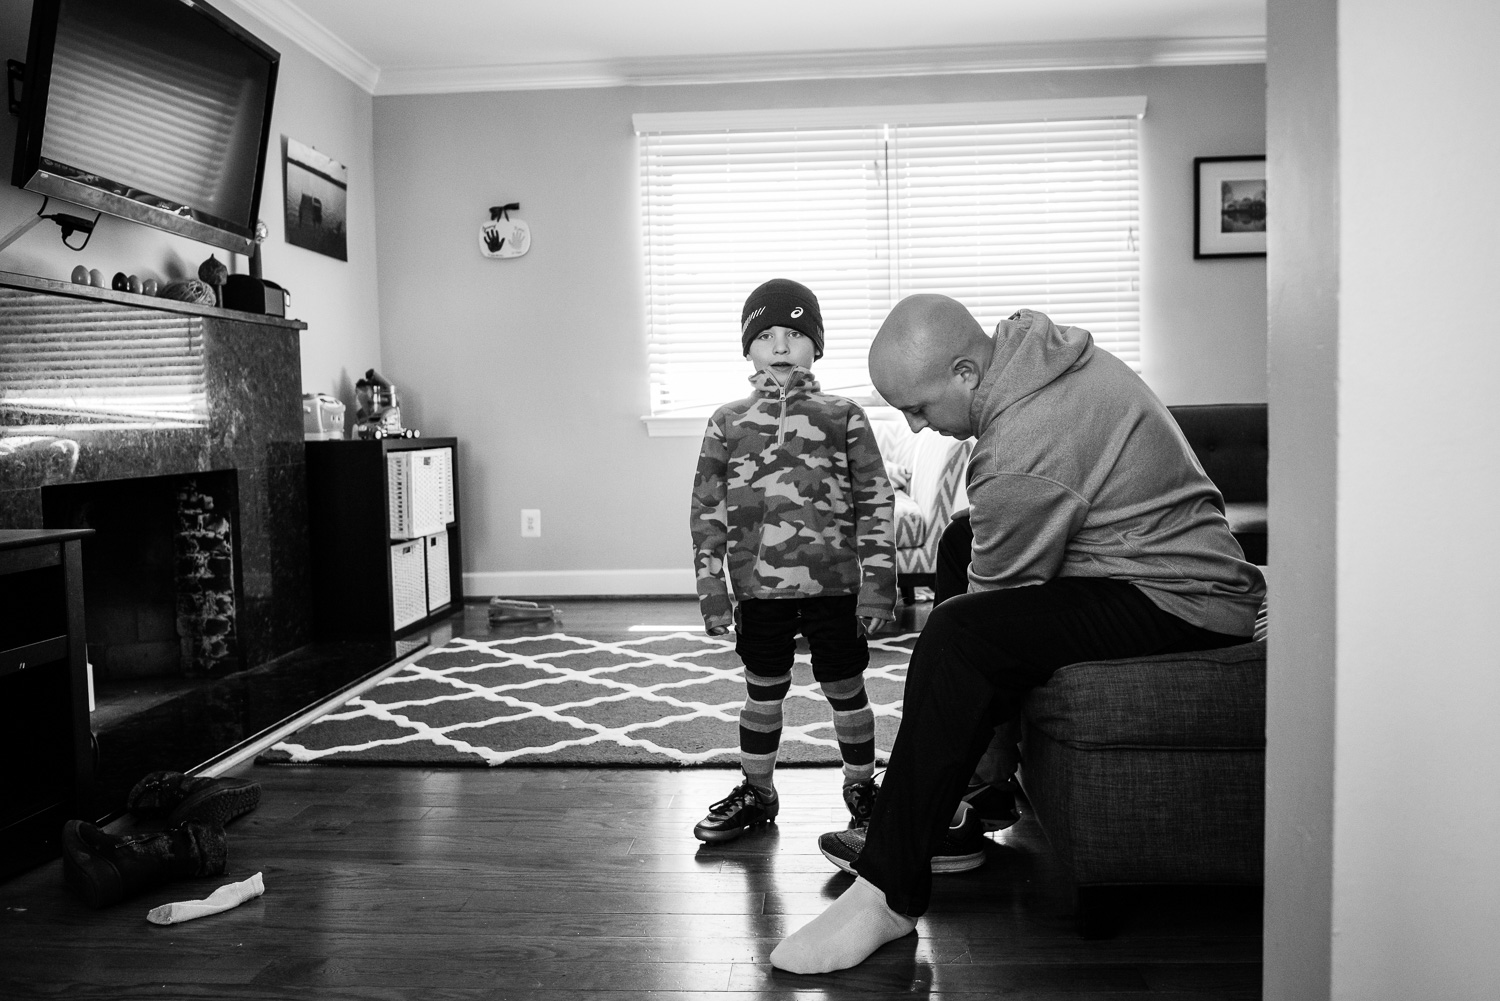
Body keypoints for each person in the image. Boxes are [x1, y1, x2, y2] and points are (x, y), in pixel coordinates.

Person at [769, 296, 1266, 974]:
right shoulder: (1031, 353)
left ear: (968, 373)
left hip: (1183, 596)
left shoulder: (1025, 442)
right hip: (1137, 558)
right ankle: (976, 797)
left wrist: (966, 751)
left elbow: (988, 618)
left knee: (958, 635)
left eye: (917, 407)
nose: (916, 427)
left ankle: (886, 890)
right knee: (960, 538)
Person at [689, 278, 898, 844]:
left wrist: (880, 586)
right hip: (758, 590)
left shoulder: (844, 415)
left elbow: (876, 502)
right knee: (763, 689)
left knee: (846, 687)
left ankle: (862, 789)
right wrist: (713, 593)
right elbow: (707, 511)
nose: (781, 346)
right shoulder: (726, 422)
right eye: (766, 335)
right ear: (748, 348)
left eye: (795, 334)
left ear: (817, 346)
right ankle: (757, 792)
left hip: (836, 589)